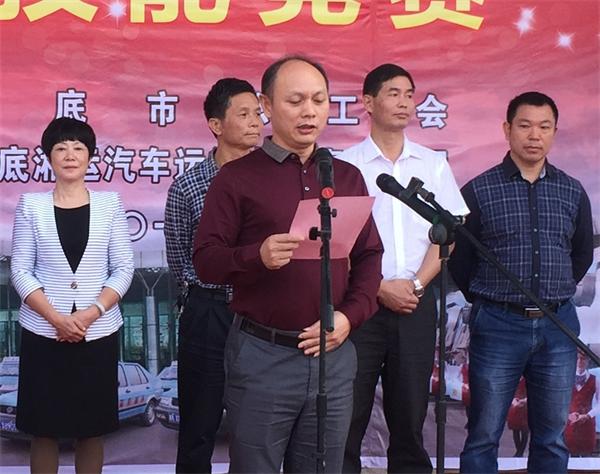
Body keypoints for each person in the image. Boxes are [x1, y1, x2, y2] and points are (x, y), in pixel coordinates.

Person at [193, 55, 383, 472]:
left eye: (319, 100)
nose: (309, 111)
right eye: (295, 101)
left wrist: (348, 317)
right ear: (266, 105)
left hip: (333, 354)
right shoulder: (237, 177)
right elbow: (205, 261)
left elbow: (369, 256)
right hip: (264, 355)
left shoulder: (346, 176)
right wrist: (255, 256)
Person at [449, 91, 594, 473]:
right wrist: (489, 300)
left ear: (554, 132)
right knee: (484, 434)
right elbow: (460, 260)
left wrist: (553, 291)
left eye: (544, 127)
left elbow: (581, 253)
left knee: (552, 436)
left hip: (557, 325)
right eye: (525, 125)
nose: (534, 135)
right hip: (498, 325)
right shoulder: (479, 190)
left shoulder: (571, 190)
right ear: (507, 129)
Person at [340, 63, 468, 473]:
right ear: (368, 102)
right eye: (393, 93)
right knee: (348, 416)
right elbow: (338, 242)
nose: (404, 102)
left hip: (415, 303)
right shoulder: (346, 166)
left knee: (410, 416)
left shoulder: (432, 164)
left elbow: (447, 234)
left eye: (410, 94)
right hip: (360, 306)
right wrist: (378, 287)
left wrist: (414, 284)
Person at [11, 117, 134, 473]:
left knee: (91, 427)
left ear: (90, 156)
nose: (70, 155)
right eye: (61, 148)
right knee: (43, 428)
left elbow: (123, 267)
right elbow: (20, 270)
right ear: (48, 157)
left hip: (97, 332)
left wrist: (91, 313)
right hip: (43, 332)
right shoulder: (31, 205)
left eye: (78, 148)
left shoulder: (110, 204)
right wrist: (56, 319)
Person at [164, 77, 263, 473]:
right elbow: (179, 258)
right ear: (216, 125)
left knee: (257, 426)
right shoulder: (188, 185)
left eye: (258, 113)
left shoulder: (273, 178)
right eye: (244, 114)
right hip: (208, 311)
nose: (256, 122)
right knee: (199, 425)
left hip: (262, 314)